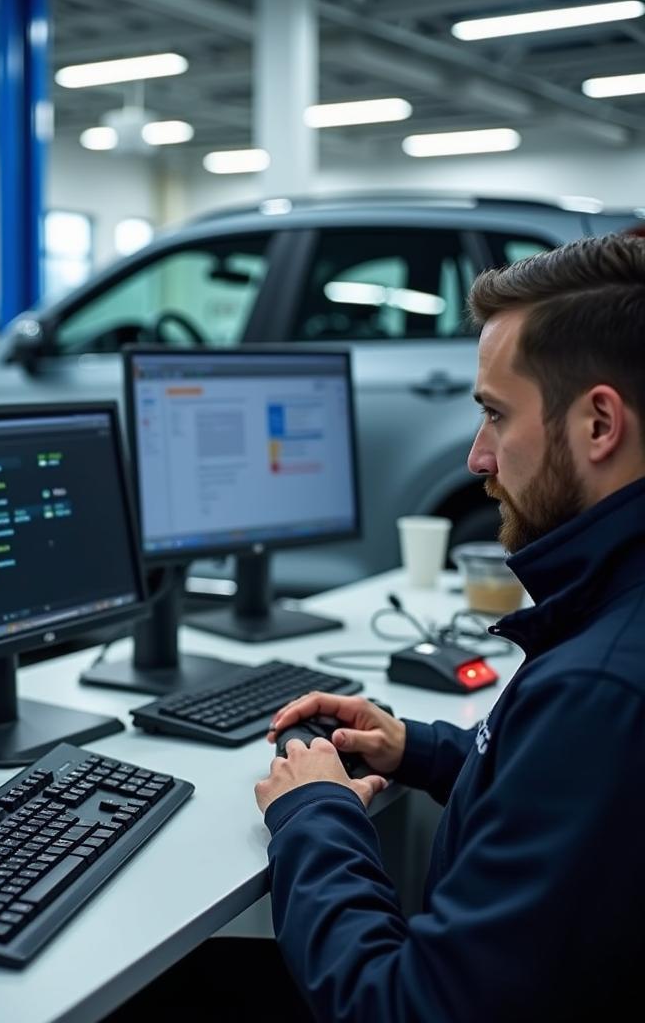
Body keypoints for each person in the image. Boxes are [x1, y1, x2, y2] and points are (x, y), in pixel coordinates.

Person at [254, 233, 645, 1022]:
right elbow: (573, 815)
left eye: (496, 416)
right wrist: (424, 751)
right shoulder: (611, 621)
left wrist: (316, 816)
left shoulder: (600, 690)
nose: (477, 457)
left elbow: (403, 1009)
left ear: (599, 424)